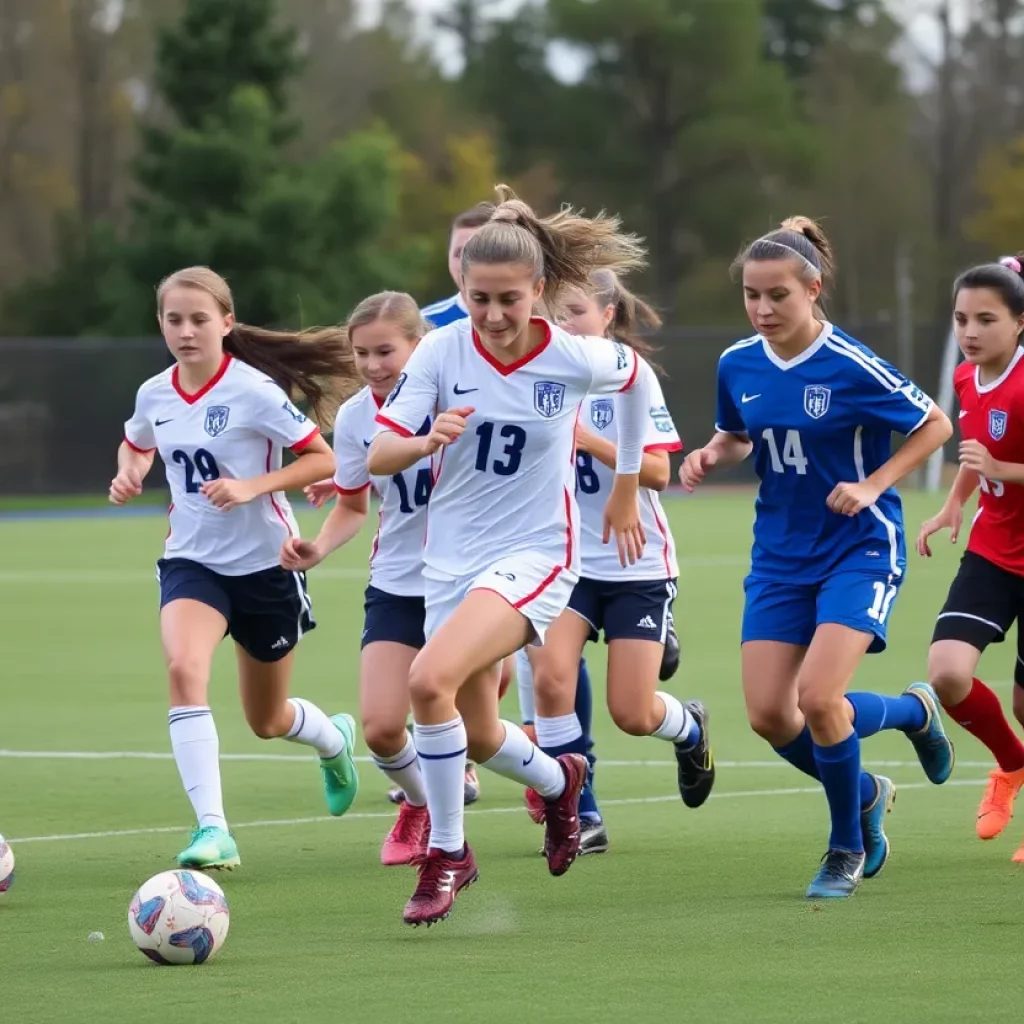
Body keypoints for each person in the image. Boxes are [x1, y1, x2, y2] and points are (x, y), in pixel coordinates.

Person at [368, 185, 654, 926]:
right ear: (461, 289)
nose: (493, 315)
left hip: (537, 554)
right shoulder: (441, 349)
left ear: (539, 290)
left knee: (426, 681)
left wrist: (626, 485)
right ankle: (561, 782)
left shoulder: (570, 355)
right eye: (478, 299)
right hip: (449, 561)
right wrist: (424, 440)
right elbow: (378, 454)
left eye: (509, 299)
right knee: (479, 730)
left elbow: (638, 380)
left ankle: (448, 854)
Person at [679, 218, 955, 899]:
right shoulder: (737, 363)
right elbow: (737, 435)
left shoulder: (850, 363)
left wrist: (872, 485)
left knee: (820, 698)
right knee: (771, 716)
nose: (763, 308)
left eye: (778, 295)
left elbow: (935, 424)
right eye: (752, 295)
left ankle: (845, 847)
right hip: (779, 555)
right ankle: (897, 739)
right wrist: (712, 453)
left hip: (859, 548)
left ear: (812, 289)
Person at [110, 266, 361, 871]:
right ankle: (213, 829)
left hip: (267, 567)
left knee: (267, 720)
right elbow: (138, 441)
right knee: (184, 668)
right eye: (174, 320)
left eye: (199, 319)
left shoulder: (254, 391)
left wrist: (254, 485)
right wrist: (131, 470)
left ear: (226, 322)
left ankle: (333, 740)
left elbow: (320, 459)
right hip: (191, 561)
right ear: (161, 324)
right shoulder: (155, 393)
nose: (186, 331)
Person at [519, 270, 712, 857]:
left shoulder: (628, 376)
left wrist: (589, 441)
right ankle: (580, 810)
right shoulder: (537, 376)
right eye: (555, 313)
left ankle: (689, 728)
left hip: (635, 564)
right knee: (551, 677)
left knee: (632, 712)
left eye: (576, 311)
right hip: (565, 561)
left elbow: (658, 471)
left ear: (608, 315)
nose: (564, 324)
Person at [282, 292, 436, 866]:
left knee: (473, 724)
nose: (372, 365)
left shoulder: (456, 396)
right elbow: (352, 505)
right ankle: (420, 805)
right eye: (362, 353)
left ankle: (553, 783)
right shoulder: (354, 418)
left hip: (471, 581)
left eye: (385, 351)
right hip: (397, 580)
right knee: (380, 728)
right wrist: (318, 547)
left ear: (418, 346)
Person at [917, 254, 1024, 860]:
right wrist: (954, 503)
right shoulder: (964, 378)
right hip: (992, 550)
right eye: (962, 319)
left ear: (1020, 322)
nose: (971, 331)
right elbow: (975, 451)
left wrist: (1002, 470)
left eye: (987, 319)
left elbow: (995, 460)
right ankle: (1012, 763)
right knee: (948, 673)